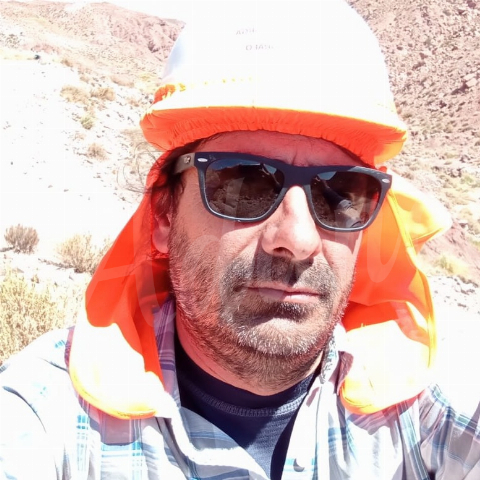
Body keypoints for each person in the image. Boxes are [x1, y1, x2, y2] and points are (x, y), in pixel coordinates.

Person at [0, 1, 478, 479]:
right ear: (164, 214)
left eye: (340, 194)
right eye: (243, 184)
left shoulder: (423, 403)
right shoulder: (48, 413)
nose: (297, 238)